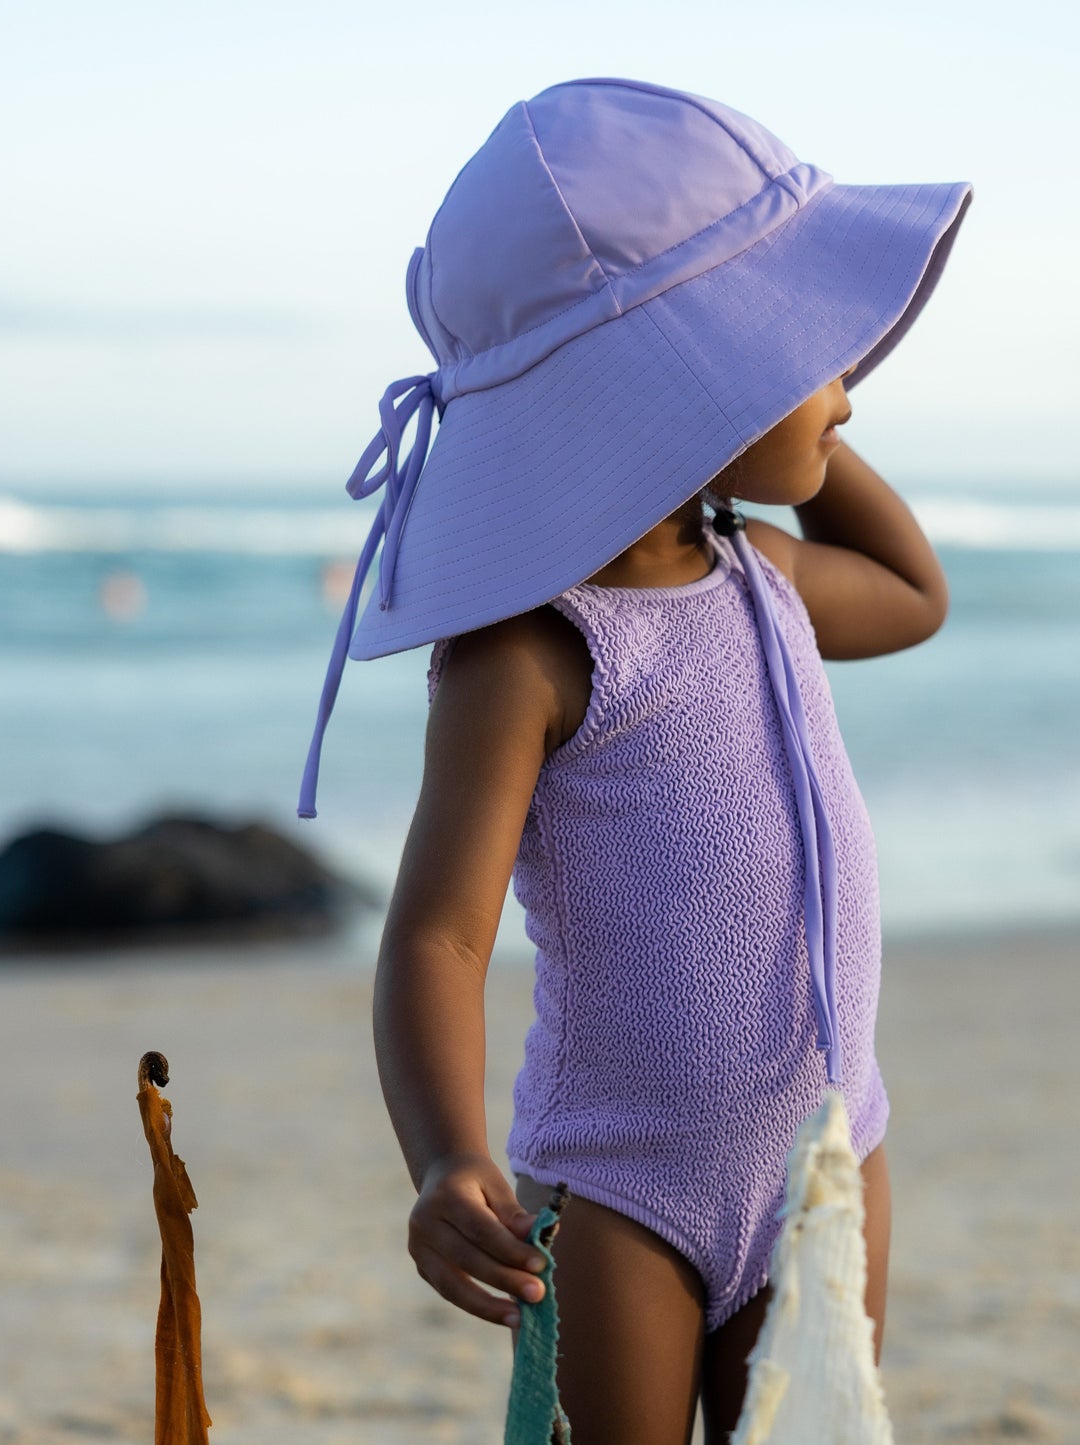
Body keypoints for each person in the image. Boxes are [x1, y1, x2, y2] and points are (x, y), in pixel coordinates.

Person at [297, 77, 971, 1444]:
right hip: (616, 1192)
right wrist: (443, 1156)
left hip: (830, 1152)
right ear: (679, 377)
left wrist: (774, 414)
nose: (843, 387)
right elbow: (436, 934)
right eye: (806, 343)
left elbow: (912, 591)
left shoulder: (766, 576)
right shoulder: (534, 652)